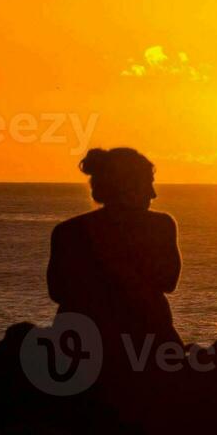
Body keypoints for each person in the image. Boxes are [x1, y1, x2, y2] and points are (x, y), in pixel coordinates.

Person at [47, 147, 183, 367]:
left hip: (80, 348)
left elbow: (57, 292)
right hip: (146, 342)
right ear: (129, 186)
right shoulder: (160, 226)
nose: (153, 194)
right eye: (148, 183)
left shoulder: (67, 231)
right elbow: (169, 281)